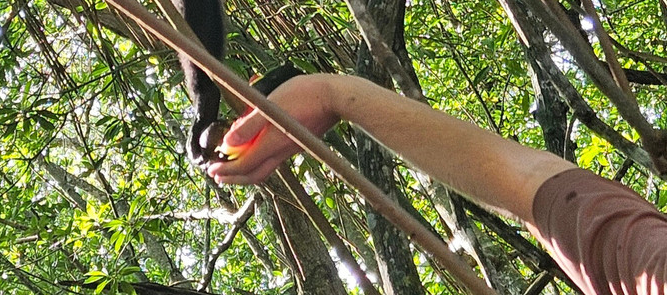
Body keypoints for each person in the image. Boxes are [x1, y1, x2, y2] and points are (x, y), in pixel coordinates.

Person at [207, 73, 667, 295]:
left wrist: (335, 96)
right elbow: (534, 185)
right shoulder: (648, 265)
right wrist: (331, 96)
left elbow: (533, 184)